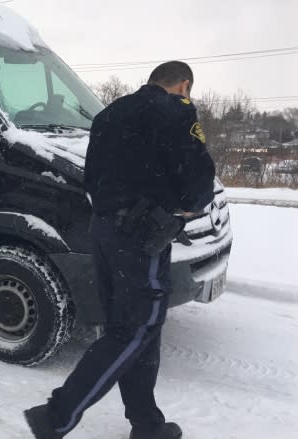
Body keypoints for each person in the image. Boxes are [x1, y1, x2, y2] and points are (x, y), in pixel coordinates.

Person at [24, 61, 216, 439]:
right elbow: (198, 184)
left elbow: (91, 177)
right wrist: (188, 203)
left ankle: (146, 424)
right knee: (134, 329)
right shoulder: (176, 113)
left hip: (106, 230)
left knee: (136, 328)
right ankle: (56, 416)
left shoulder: (109, 113)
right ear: (184, 86)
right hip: (141, 237)